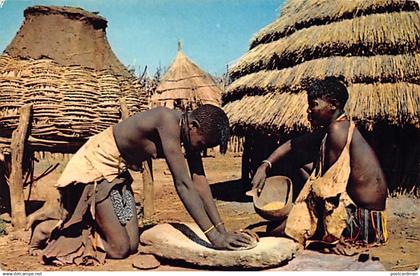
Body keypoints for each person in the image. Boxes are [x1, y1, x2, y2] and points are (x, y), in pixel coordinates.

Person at [27, 104, 256, 265]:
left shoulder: (188, 133)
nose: (201, 149)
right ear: (193, 125)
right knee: (119, 250)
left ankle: (91, 226)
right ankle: (50, 228)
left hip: (117, 174)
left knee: (133, 244)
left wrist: (222, 231)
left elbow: (200, 184)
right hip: (95, 168)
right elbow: (183, 185)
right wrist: (214, 239)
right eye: (202, 144)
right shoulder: (166, 120)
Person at [251, 77, 388, 253]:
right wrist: (265, 166)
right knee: (303, 166)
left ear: (332, 105)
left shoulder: (338, 131)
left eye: (314, 104)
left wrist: (296, 225)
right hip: (367, 215)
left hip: (363, 222)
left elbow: (329, 191)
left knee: (279, 231)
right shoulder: (338, 126)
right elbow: (293, 144)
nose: (309, 110)